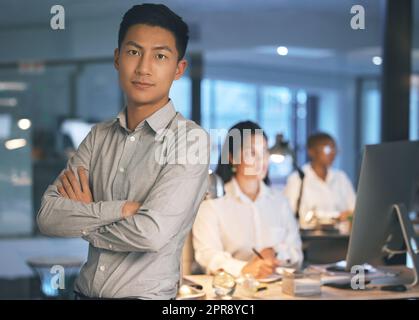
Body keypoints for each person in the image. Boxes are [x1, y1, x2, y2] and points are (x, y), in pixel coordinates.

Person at [37, 4, 209, 300]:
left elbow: (150, 233)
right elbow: (48, 217)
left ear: (178, 69)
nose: (143, 68)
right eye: (133, 52)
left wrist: (86, 219)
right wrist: (119, 210)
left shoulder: (190, 140)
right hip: (82, 293)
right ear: (117, 58)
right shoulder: (98, 136)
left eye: (160, 56)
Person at [193, 121, 303, 279]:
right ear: (232, 158)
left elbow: (297, 254)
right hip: (233, 291)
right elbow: (207, 255)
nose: (261, 160)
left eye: (264, 151)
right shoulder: (212, 203)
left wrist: (275, 252)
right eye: (251, 153)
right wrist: (245, 268)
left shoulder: (280, 202)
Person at [283, 132, 356, 224]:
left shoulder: (341, 178)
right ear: (312, 152)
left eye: (334, 149)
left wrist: (348, 216)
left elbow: (355, 211)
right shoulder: (298, 179)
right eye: (328, 149)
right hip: (309, 237)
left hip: (341, 237)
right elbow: (289, 215)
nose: (333, 153)